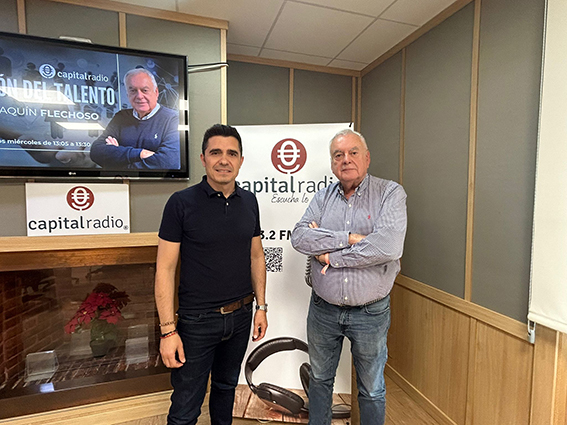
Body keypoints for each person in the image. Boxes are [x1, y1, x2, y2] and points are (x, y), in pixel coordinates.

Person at [291, 129, 407, 425]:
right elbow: (300, 238)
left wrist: (330, 257)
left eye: (353, 152)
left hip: (370, 313)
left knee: (371, 388)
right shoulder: (322, 197)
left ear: (366, 158)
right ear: (332, 164)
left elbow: (388, 247)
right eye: (338, 155)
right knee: (319, 381)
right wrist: (351, 238)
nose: (346, 159)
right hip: (323, 310)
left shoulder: (390, 193)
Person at [155, 124, 268, 425]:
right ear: (203, 158)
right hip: (196, 322)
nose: (224, 160)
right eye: (216, 152)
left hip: (241, 316)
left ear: (241, 160)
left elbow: (256, 255)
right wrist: (168, 332)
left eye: (232, 153)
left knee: (225, 389)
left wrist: (261, 306)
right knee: (185, 408)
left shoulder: (250, 201)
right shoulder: (181, 203)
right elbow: (165, 268)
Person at [90, 68, 180, 170]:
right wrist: (141, 153)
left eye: (144, 90)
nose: (139, 96)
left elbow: (169, 163)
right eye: (133, 91)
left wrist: (118, 158)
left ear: (156, 92)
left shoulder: (173, 119)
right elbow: (96, 152)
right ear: (127, 94)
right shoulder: (121, 117)